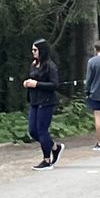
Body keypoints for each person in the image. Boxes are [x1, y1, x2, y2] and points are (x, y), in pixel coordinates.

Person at [24, 39, 64, 170]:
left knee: (42, 130)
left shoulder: (50, 66)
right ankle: (54, 147)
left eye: (35, 50)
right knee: (33, 131)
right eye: (32, 50)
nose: (33, 52)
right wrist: (28, 83)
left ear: (42, 50)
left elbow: (55, 84)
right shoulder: (34, 64)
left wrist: (37, 84)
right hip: (34, 101)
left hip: (46, 102)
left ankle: (46, 160)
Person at [85, 41, 100, 150]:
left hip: (95, 92)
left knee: (98, 117)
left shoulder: (92, 61)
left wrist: (87, 90)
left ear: (96, 49)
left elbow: (89, 78)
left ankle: (99, 142)